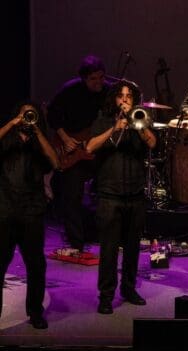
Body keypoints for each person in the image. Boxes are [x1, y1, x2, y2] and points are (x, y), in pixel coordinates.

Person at [86, 80, 156, 314]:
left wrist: (138, 125)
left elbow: (152, 142)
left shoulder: (141, 119)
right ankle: (106, 296)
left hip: (135, 194)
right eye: (120, 96)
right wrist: (114, 128)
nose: (125, 100)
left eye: (129, 96)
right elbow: (89, 148)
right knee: (108, 250)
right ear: (114, 99)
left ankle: (128, 289)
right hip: (109, 195)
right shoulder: (103, 119)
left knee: (133, 248)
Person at [0, 101, 59, 329]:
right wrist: (13, 123)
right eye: (23, 115)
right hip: (5, 210)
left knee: (36, 265)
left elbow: (55, 162)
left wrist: (37, 132)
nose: (26, 119)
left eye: (30, 115)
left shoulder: (39, 143)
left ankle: (35, 312)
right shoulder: (7, 139)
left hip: (32, 211)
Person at [47, 55, 110, 253]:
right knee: (72, 194)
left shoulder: (109, 93)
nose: (98, 82)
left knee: (108, 189)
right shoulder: (70, 90)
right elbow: (52, 114)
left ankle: (105, 236)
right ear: (84, 78)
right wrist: (65, 139)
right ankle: (76, 243)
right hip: (73, 149)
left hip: (96, 150)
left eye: (101, 77)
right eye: (93, 79)